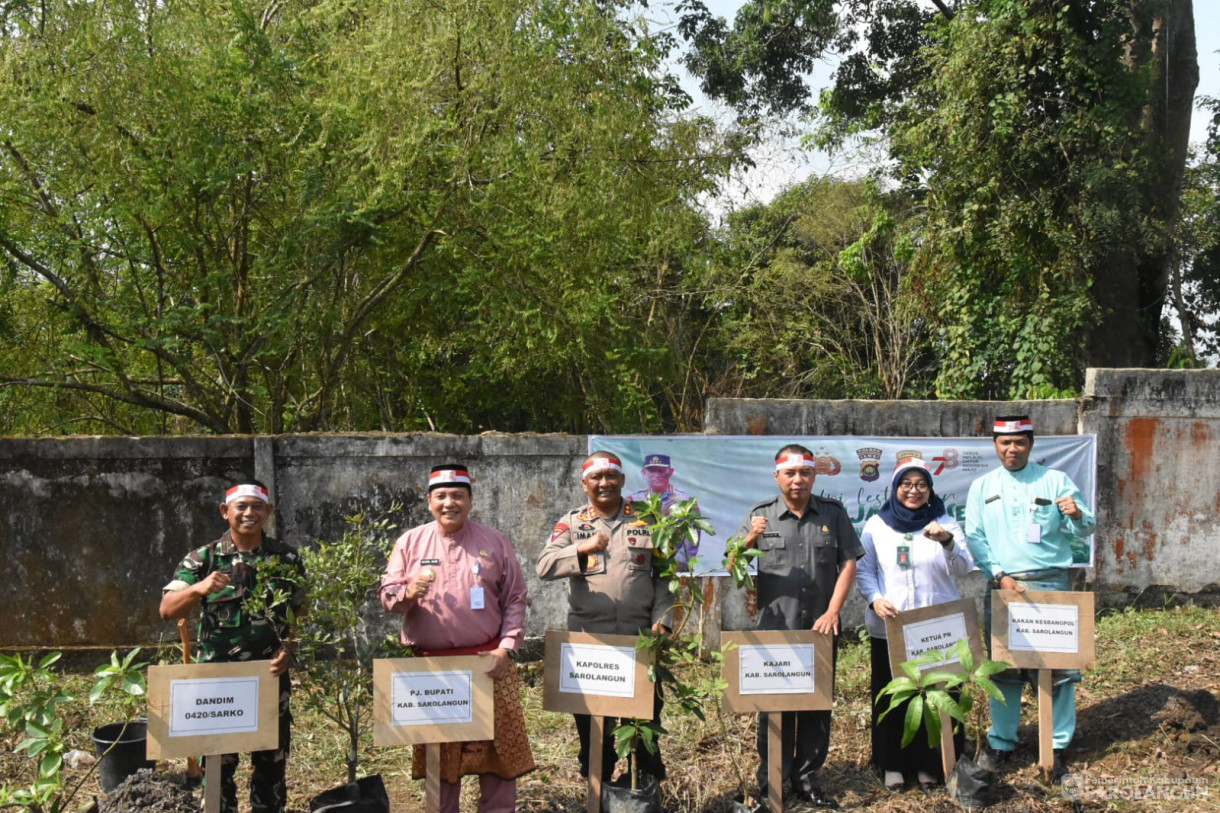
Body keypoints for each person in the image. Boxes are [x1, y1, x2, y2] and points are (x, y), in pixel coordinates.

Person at [379, 463, 535, 813]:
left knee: (496, 756)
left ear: (470, 500)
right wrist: (408, 592)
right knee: (441, 755)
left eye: (457, 496)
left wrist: (506, 648)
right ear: (429, 501)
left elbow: (515, 597)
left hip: (488, 663)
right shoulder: (410, 541)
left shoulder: (494, 541)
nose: (449, 503)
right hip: (431, 668)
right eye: (441, 496)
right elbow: (388, 596)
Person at [159, 479, 306, 813]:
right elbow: (167, 609)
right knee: (218, 767)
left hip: (269, 678)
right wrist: (199, 589)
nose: (249, 513)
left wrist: (290, 646)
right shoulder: (203, 559)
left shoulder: (286, 558)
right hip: (218, 683)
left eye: (257, 506)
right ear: (226, 512)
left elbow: (301, 608)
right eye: (241, 506)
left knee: (271, 765)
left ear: (268, 512)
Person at [965, 415, 1096, 780]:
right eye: (1004, 443)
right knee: (1004, 670)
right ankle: (1001, 743)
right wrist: (1000, 575)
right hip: (1004, 587)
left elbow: (1086, 527)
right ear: (994, 445)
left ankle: (1056, 745)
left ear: (1031, 444)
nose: (1012, 449)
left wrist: (1077, 513)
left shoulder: (1055, 481)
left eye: (1019, 442)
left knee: (1059, 670)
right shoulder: (982, 486)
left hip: (1052, 586)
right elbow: (975, 536)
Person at [735, 444, 864, 810]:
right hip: (774, 631)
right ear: (777, 476)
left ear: (814, 475)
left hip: (819, 631)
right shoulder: (760, 516)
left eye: (804, 472)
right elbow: (734, 567)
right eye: (789, 473)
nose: (797, 479)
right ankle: (771, 780)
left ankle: (808, 779)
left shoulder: (833, 514)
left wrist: (834, 610)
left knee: (816, 707)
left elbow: (849, 562)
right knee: (774, 708)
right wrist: (748, 542)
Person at [536, 451, 674, 785]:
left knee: (644, 727)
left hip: (640, 640)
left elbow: (665, 576)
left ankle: (643, 794)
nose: (604, 483)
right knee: (593, 730)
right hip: (588, 645)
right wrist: (580, 550)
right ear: (585, 484)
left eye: (611, 476)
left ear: (623, 481)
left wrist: (663, 620)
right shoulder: (572, 523)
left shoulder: (648, 519)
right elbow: (544, 566)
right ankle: (599, 792)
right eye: (595, 478)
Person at [857, 458, 975, 790]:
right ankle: (891, 764)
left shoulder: (946, 522)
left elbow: (965, 567)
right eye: (906, 484)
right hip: (891, 628)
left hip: (938, 628)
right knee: (893, 698)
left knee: (940, 695)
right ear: (895, 489)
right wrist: (875, 599)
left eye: (920, 484)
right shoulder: (876, 526)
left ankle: (932, 764)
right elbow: (865, 572)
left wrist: (947, 541)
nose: (913, 490)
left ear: (930, 489)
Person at [626, 453, 701, 568]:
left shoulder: (686, 501)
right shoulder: (633, 501)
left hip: (674, 569)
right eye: (652, 470)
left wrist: (675, 566)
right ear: (644, 473)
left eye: (661, 471)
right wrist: (658, 516)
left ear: (670, 472)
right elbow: (626, 534)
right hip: (640, 566)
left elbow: (692, 540)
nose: (657, 475)